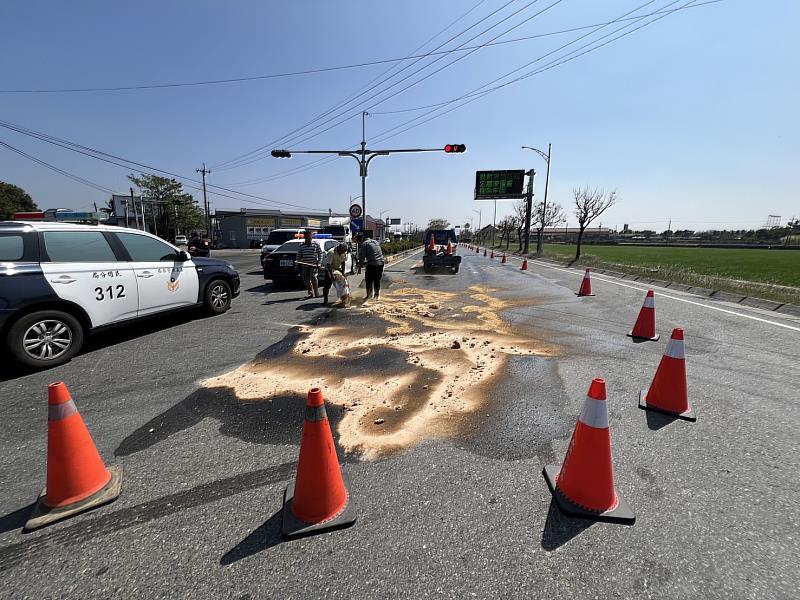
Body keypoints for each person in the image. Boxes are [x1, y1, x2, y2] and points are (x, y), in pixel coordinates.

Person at [354, 232, 385, 304]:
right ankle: (377, 296)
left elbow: (361, 258)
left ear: (361, 240)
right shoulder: (375, 241)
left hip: (373, 264)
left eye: (358, 242)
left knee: (369, 280)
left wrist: (359, 267)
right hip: (381, 263)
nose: (359, 244)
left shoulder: (364, 244)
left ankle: (369, 295)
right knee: (377, 280)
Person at [297, 230, 322, 298]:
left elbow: (320, 254)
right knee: (306, 280)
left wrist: (319, 262)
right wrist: (297, 263)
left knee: (313, 278)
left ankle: (316, 292)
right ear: (305, 237)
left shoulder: (315, 244)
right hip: (305, 265)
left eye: (310, 236)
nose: (309, 238)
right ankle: (310, 292)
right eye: (308, 237)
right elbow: (299, 255)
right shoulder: (301, 245)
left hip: (313, 265)